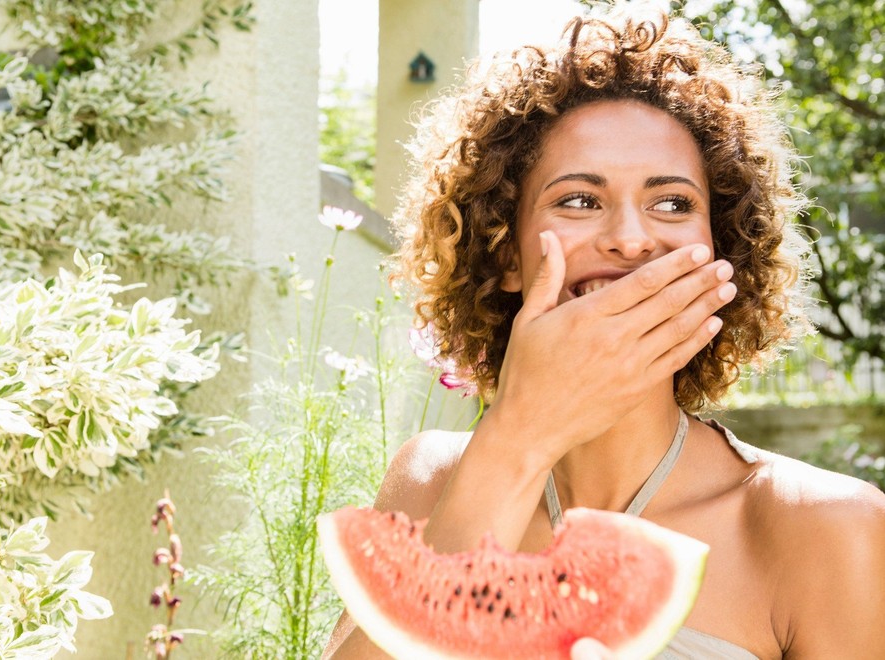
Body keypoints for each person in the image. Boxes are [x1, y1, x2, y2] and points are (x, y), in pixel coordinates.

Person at [323, 4, 885, 659]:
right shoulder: (429, 478)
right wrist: (518, 439)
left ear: (720, 249)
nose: (629, 238)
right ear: (505, 252)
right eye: (579, 200)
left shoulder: (824, 526)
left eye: (672, 203)